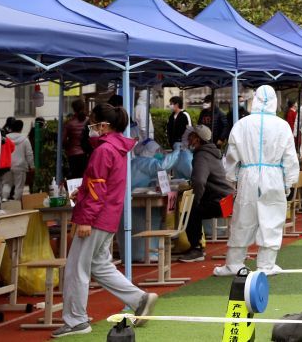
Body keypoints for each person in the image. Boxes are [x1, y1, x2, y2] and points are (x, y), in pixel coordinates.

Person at [54, 104, 157, 337]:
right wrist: (81, 193)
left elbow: (97, 187)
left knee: (76, 269)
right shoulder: (117, 149)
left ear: (103, 125)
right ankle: (139, 299)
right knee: (99, 265)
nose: (89, 126)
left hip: (96, 217)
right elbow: (101, 185)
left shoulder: (103, 150)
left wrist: (85, 218)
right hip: (108, 216)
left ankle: (76, 320)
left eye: (93, 122)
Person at [216, 85, 301, 277]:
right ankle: (266, 265)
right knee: (272, 218)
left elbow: (231, 156)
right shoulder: (282, 126)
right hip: (273, 176)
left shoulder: (242, 124)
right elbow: (290, 157)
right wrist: (289, 182)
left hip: (248, 175)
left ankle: (235, 263)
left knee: (242, 218)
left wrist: (233, 177)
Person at [179, 125, 232, 263]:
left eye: (191, 136)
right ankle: (196, 246)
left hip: (222, 201)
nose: (188, 138)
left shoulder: (202, 155)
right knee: (194, 209)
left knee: (190, 210)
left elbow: (199, 181)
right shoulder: (212, 152)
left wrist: (195, 200)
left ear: (197, 139)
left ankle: (196, 249)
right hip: (228, 200)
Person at [0, 119, 33, 200]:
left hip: (7, 165)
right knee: (19, 186)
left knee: (7, 183)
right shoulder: (25, 140)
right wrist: (32, 165)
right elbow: (29, 154)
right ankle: (16, 201)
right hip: (20, 166)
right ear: (21, 128)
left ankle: (4, 199)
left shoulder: (5, 138)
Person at [63, 100, 89, 179]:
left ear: (73, 109)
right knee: (85, 178)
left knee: (74, 178)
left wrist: (69, 146)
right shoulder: (88, 121)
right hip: (86, 154)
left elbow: (63, 140)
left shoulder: (69, 123)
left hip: (73, 154)